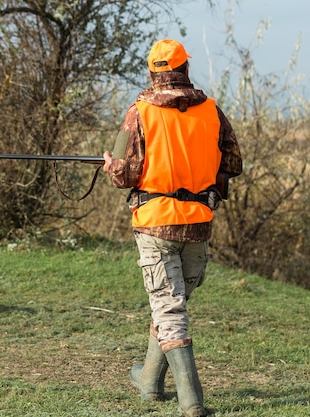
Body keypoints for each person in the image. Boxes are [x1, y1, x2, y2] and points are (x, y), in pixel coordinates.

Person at [102, 39, 242, 417]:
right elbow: (233, 161)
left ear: (153, 72)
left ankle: (192, 403)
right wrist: (208, 185)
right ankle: (149, 381)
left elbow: (125, 174)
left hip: (154, 223)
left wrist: (109, 164)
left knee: (169, 308)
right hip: (198, 224)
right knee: (172, 304)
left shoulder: (139, 111)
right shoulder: (212, 110)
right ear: (185, 69)